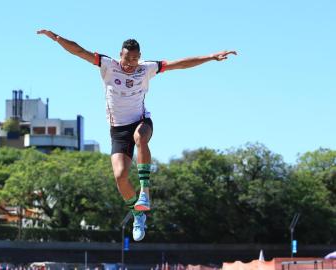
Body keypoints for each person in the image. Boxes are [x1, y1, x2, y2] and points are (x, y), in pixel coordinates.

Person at [37, 29, 237, 241]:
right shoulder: (107, 65)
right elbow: (79, 51)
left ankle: (145, 191)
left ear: (139, 57)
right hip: (118, 130)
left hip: (141, 121)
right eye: (127, 58)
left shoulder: (146, 68)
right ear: (120, 55)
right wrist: (57, 38)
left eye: (134, 59)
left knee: (140, 138)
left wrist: (210, 57)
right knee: (120, 176)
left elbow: (180, 63)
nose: (130, 63)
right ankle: (138, 214)